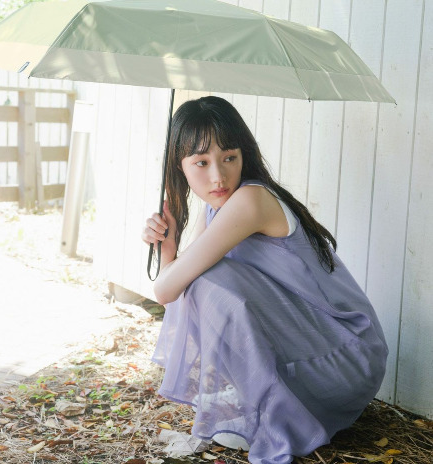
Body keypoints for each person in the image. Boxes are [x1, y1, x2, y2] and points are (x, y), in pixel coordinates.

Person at [142, 96, 388, 464]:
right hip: (328, 350)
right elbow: (174, 282)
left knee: (205, 281)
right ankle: (260, 395)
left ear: (244, 155)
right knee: (199, 277)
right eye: (201, 162)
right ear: (180, 166)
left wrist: (172, 256)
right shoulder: (217, 208)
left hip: (349, 363)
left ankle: (272, 408)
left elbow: (167, 288)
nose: (218, 176)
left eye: (229, 158)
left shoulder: (250, 201)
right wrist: (169, 246)